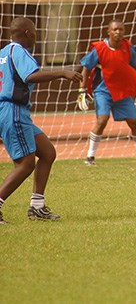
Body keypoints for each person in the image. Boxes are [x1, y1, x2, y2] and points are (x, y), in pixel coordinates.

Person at [0, 17, 82, 223]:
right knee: (26, 164)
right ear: (27, 33)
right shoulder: (18, 51)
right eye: (35, 32)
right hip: (13, 109)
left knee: (47, 152)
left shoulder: (2, 53)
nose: (36, 36)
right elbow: (30, 76)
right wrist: (62, 72)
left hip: (12, 110)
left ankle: (37, 207)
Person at [78, 20, 136, 165]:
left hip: (123, 91)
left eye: (121, 29)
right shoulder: (99, 48)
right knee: (102, 120)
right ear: (108, 32)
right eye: (115, 29)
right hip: (103, 91)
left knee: (134, 123)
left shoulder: (128, 47)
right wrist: (82, 90)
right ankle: (90, 157)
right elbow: (86, 68)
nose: (118, 32)